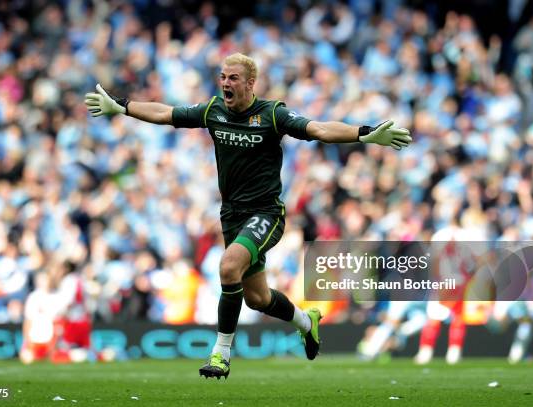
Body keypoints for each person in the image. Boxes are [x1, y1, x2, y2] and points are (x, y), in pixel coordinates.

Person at [84, 52, 412, 379]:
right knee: (257, 298)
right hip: (232, 216)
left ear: (250, 83)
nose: (225, 83)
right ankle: (304, 321)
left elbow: (320, 129)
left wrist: (365, 133)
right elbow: (166, 113)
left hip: (266, 213)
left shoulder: (272, 114)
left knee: (228, 266)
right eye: (223, 76)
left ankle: (220, 354)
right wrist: (122, 105)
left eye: (233, 78)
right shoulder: (213, 110)